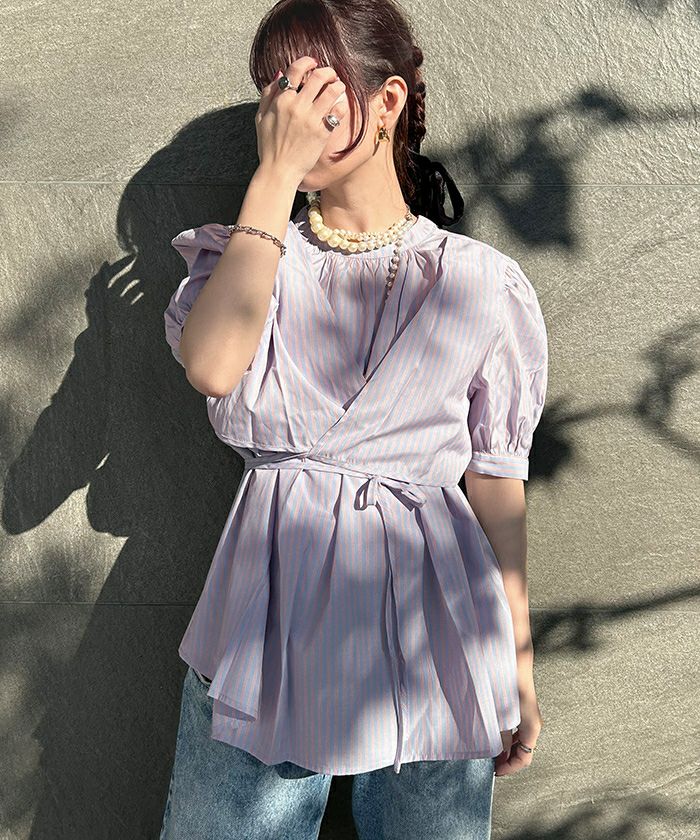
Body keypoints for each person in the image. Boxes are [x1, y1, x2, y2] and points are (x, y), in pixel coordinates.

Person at [159, 1, 548, 838]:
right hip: (264, 622)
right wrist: (272, 178)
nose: (286, 108)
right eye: (274, 89)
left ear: (387, 101)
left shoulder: (480, 283)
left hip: (437, 628)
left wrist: (518, 661)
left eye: (309, 84)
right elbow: (214, 366)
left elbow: (496, 479)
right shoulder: (251, 261)